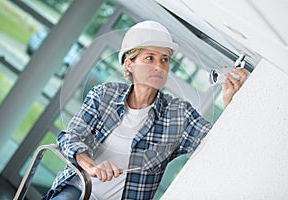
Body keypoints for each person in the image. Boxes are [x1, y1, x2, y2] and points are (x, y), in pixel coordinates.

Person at [43, 20, 248, 200]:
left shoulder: (179, 115)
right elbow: (69, 137)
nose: (159, 66)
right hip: (78, 191)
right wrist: (91, 167)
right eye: (150, 58)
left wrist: (232, 104)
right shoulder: (104, 94)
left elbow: (218, 146)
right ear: (129, 63)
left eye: (164, 59)